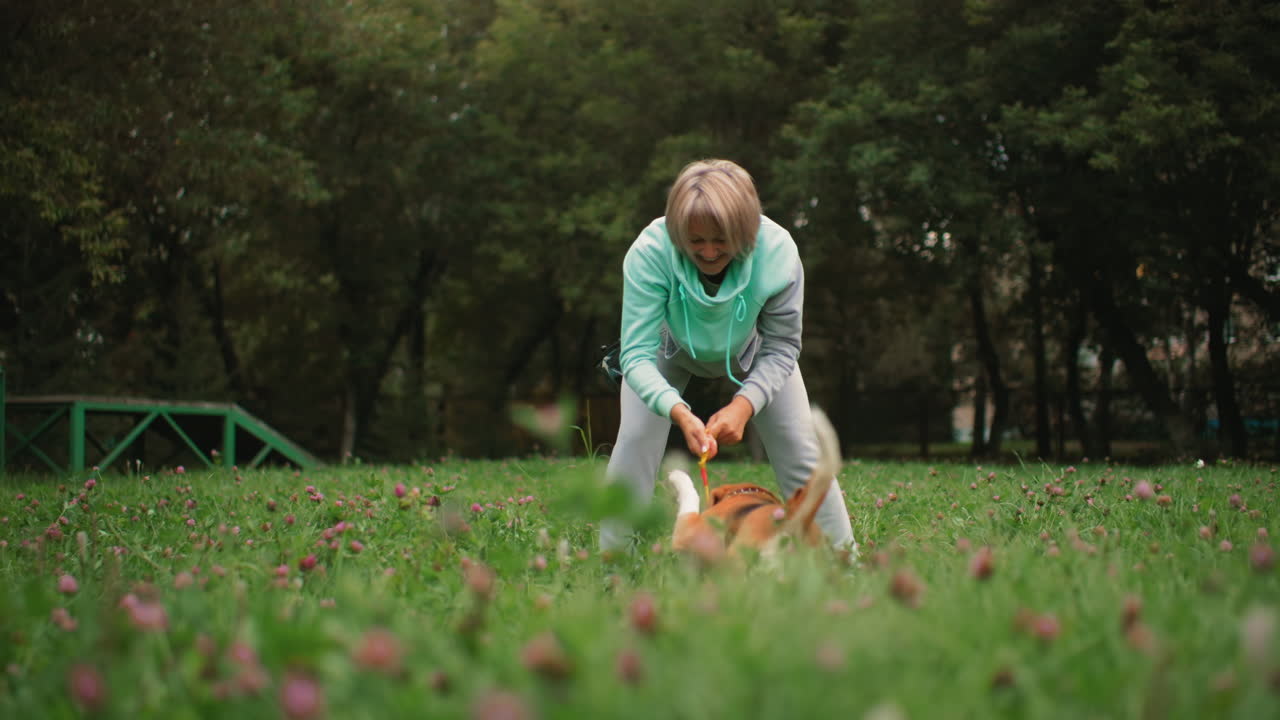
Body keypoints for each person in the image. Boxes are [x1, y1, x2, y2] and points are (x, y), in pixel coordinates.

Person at [600, 159, 856, 556]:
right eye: (694, 240)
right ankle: (614, 563)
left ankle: (843, 560)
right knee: (634, 439)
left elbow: (783, 345)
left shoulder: (778, 252)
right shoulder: (650, 251)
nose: (707, 251)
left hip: (751, 350)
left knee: (800, 445)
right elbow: (635, 352)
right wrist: (678, 411)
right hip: (667, 349)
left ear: (747, 230)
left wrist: (744, 404)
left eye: (720, 239)